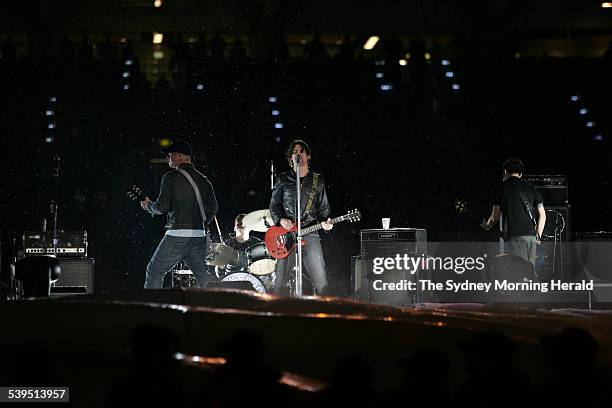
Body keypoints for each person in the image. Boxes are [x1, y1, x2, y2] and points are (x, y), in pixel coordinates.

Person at [140, 140, 218, 288]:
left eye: (170, 155)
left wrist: (148, 206)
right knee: (203, 276)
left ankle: (151, 307)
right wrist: (201, 222)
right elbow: (213, 206)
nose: (168, 158)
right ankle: (222, 303)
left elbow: (161, 207)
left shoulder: (170, 177)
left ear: (179, 156)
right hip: (198, 235)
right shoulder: (204, 180)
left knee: (155, 270)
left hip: (177, 235)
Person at [269, 140, 333, 295]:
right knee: (280, 282)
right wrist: (281, 220)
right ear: (291, 157)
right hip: (286, 234)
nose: (299, 154)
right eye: (295, 152)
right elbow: (274, 206)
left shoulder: (318, 181)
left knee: (321, 279)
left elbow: (324, 210)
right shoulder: (283, 179)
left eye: (302, 151)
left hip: (310, 233)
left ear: (308, 155)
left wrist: (327, 223)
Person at [482, 158, 546, 267]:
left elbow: (495, 217)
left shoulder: (501, 188)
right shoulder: (531, 188)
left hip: (515, 236)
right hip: (531, 236)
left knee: (518, 273)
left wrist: (486, 225)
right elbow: (543, 215)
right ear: (520, 174)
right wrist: (538, 236)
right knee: (530, 272)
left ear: (505, 172)